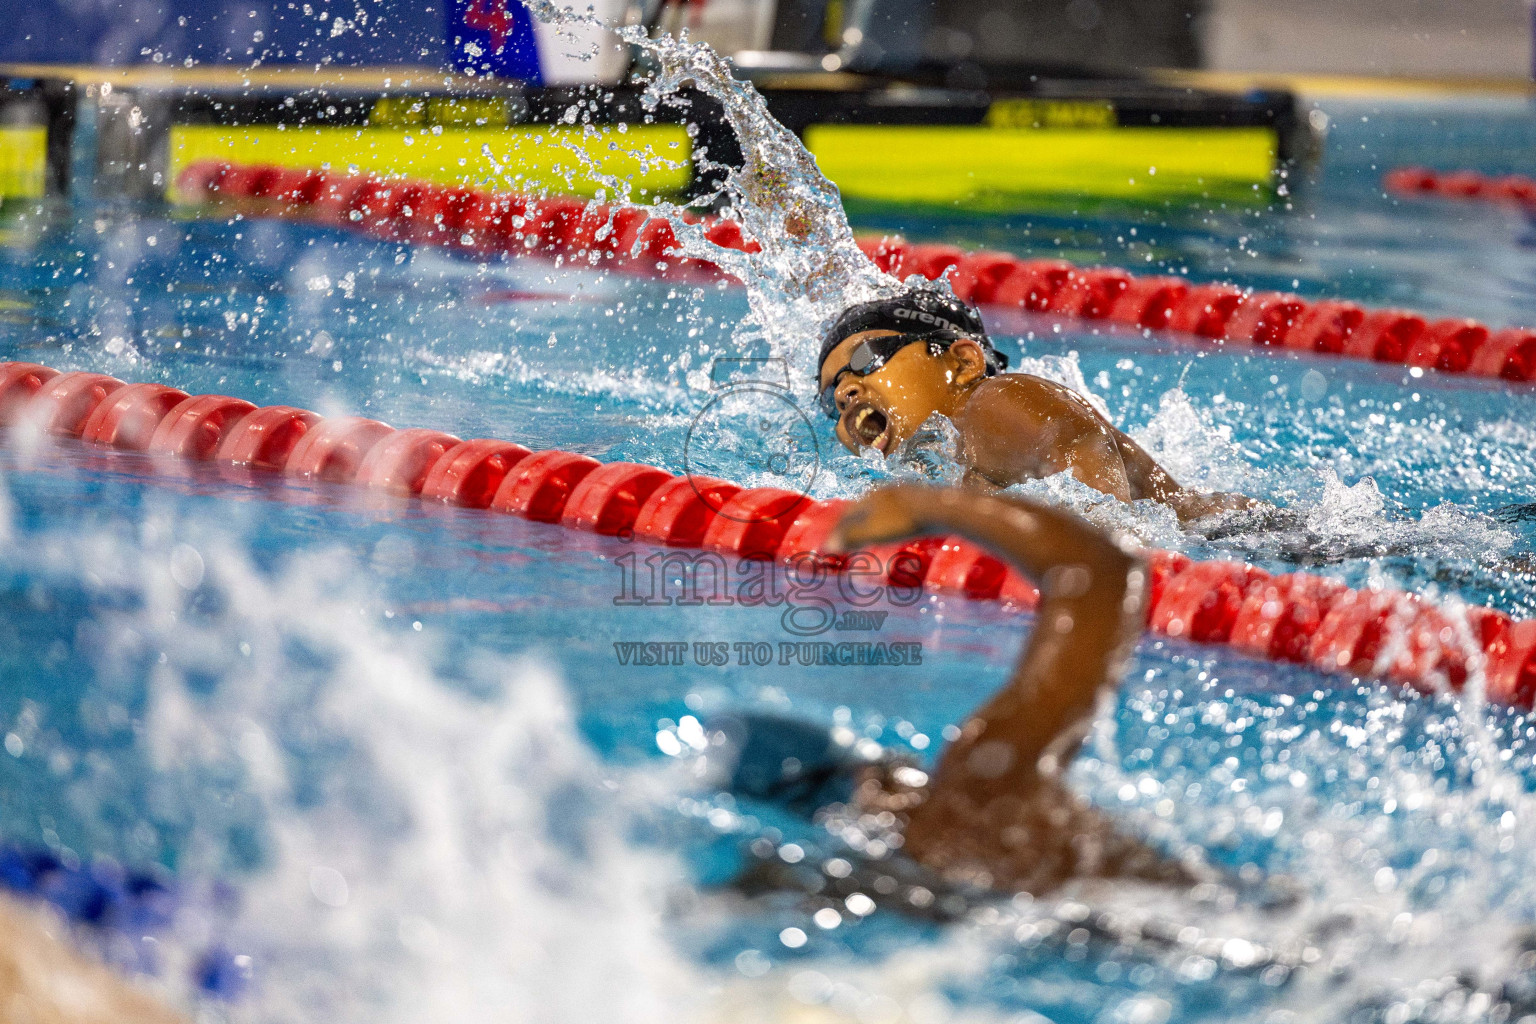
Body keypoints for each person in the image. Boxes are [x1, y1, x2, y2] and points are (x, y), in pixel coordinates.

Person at [719, 481, 1197, 894]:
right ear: (869, 781)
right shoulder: (977, 787)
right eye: (885, 764)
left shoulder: (901, 874)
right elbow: (1101, 572)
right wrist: (930, 505)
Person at [816, 289, 1255, 524]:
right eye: (829, 394)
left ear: (964, 362)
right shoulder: (955, 462)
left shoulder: (989, 401)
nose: (843, 393)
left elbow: (1092, 472)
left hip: (1252, 540)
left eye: (864, 358)